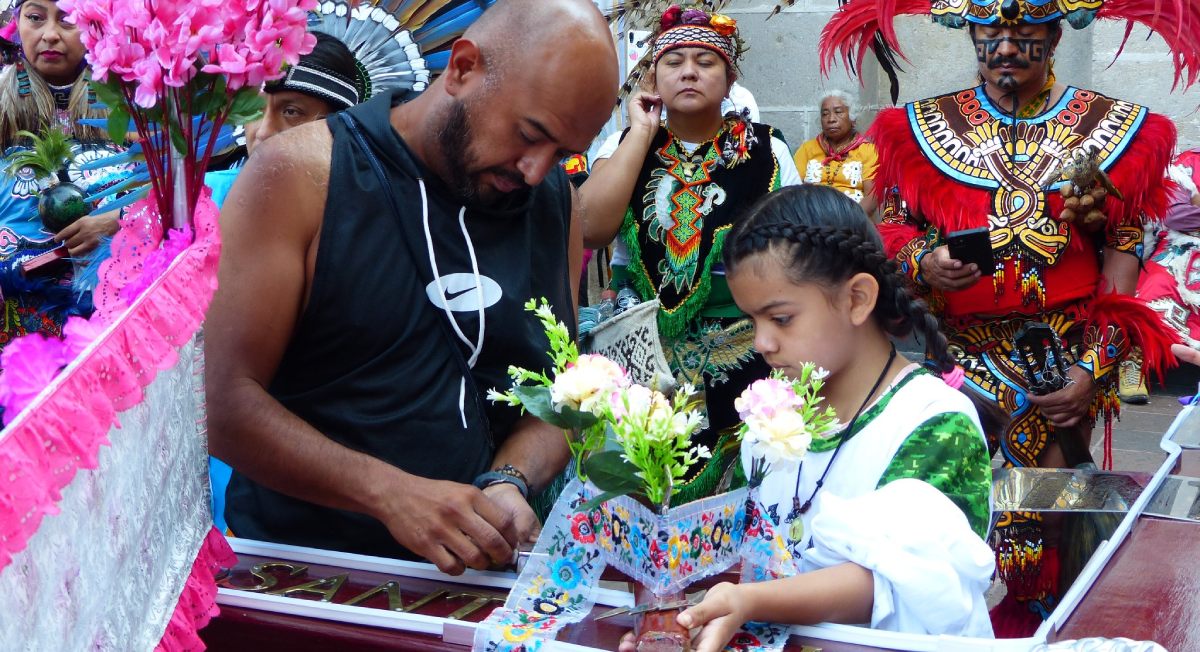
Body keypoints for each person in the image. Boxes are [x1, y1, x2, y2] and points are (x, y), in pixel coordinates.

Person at [205, 0, 618, 574]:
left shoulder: (553, 201)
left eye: (563, 154)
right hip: (304, 580)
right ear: (462, 67)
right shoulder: (301, 174)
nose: (534, 170)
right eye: (529, 134)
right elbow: (219, 403)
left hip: (472, 585)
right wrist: (389, 493)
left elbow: (560, 394)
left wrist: (508, 480)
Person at [820, 0, 1186, 634]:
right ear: (971, 34)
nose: (1008, 48)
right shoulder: (917, 130)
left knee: (1051, 510)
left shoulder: (1117, 131)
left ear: (1053, 33)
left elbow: (1120, 273)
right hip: (956, 350)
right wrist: (923, 259)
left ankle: (1050, 623)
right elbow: (886, 227)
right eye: (992, 33)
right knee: (938, 498)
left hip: (1065, 350)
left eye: (1024, 34)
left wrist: (1089, 374)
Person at [619, 185, 995, 652]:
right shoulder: (773, 414)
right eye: (752, 321)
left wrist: (750, 601)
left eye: (781, 319)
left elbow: (897, 581)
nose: (761, 343)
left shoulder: (932, 422)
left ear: (858, 299)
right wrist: (691, 620)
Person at [579, 5, 800, 505]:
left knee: (749, 491)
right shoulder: (626, 145)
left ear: (730, 79)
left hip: (744, 347)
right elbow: (591, 228)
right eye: (674, 60)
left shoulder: (768, 151)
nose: (689, 71)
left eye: (706, 60)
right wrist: (640, 132)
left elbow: (799, 253)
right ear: (652, 75)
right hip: (646, 353)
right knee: (644, 490)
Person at [0, 0, 129, 350]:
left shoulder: (135, 104)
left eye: (68, 20)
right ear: (17, 22)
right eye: (36, 18)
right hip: (18, 332)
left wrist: (114, 221)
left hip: (114, 318)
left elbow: (177, 204)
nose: (51, 34)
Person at [1122, 149, 1200, 403]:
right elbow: (1175, 215)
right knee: (1153, 290)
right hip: (1183, 247)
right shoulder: (1188, 163)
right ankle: (1132, 363)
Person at [793, 89, 879, 217]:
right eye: (825, 114)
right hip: (810, 222)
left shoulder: (867, 150)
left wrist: (849, 221)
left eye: (838, 112)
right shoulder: (807, 149)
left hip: (854, 223)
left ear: (852, 118)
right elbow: (791, 190)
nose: (831, 119)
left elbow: (872, 197)